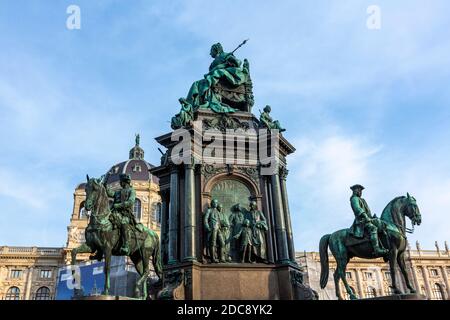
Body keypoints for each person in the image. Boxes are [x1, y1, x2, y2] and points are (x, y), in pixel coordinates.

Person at [349, 184, 388, 256]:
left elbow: (367, 212)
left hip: (367, 219)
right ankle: (377, 249)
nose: (360, 192)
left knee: (382, 225)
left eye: (361, 191)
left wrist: (372, 217)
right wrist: (365, 216)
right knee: (373, 228)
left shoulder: (362, 200)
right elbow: (358, 209)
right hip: (361, 221)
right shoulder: (354, 199)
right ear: (355, 191)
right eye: (359, 190)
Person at [105, 173, 138, 255]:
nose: (120, 183)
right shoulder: (118, 192)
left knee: (124, 223)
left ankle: (126, 245)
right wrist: (105, 180)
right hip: (115, 212)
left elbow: (131, 202)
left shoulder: (131, 191)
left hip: (126, 214)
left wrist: (119, 205)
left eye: (121, 181)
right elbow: (109, 193)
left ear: (125, 182)